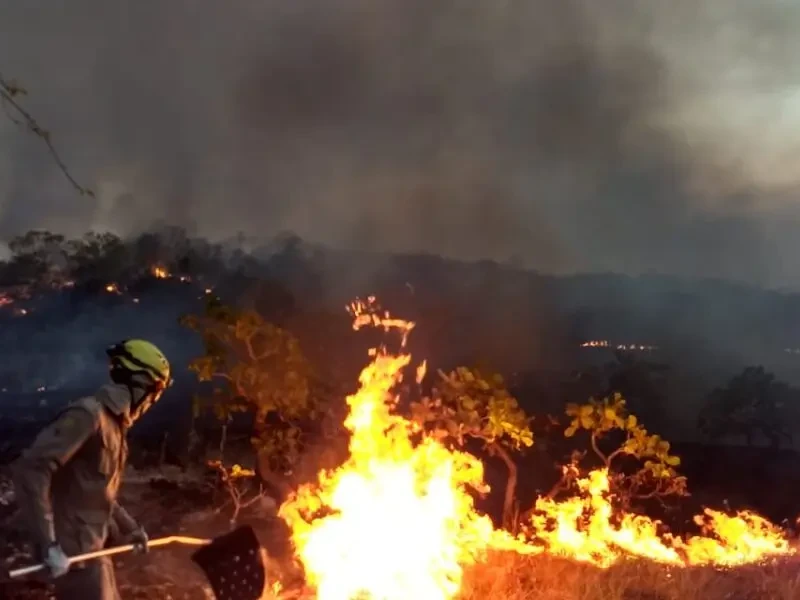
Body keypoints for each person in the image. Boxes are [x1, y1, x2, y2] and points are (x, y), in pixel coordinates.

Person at [13, 339, 173, 600]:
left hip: (94, 550)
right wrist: (48, 545)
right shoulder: (88, 416)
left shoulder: (115, 427)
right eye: (155, 391)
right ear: (139, 383)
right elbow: (32, 470)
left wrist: (131, 528)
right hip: (72, 555)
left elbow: (98, 491)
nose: (153, 400)